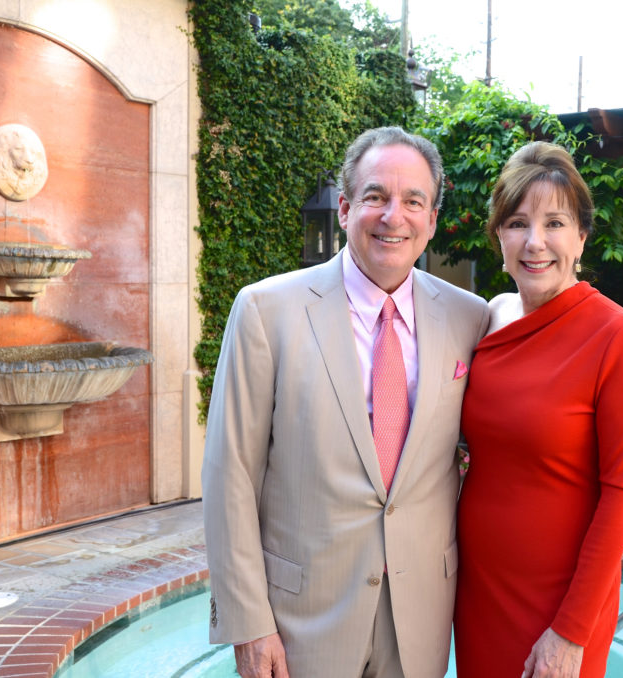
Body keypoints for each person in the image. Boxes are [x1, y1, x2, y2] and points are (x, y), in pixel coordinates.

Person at [202, 126, 490, 678]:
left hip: (421, 616)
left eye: (413, 201)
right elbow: (229, 473)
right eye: (376, 196)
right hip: (300, 620)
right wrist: (248, 622)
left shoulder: (469, 317)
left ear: (431, 220)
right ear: (344, 206)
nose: (393, 216)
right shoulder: (267, 311)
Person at [453, 141, 623, 678]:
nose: (535, 242)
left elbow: (622, 496)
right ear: (498, 235)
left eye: (555, 223)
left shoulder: (619, 338)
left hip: (559, 603)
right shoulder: (487, 319)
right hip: (478, 589)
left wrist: (570, 632)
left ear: (582, 238)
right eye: (518, 222)